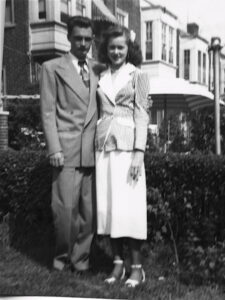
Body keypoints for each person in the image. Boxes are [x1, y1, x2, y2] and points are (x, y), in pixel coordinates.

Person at [40, 16, 103, 272]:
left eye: (88, 39)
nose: (84, 43)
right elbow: (47, 112)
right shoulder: (51, 67)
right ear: (68, 37)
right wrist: (53, 147)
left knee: (88, 213)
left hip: (91, 150)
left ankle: (81, 260)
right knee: (65, 210)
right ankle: (61, 258)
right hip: (65, 150)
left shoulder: (99, 68)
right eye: (78, 38)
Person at [95, 26, 150, 287]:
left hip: (129, 151)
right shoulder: (101, 76)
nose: (116, 51)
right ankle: (117, 265)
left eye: (121, 47)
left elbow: (142, 113)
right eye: (112, 47)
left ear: (129, 49)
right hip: (104, 148)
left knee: (131, 210)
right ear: (106, 50)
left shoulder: (138, 75)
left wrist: (139, 152)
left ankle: (137, 268)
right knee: (110, 209)